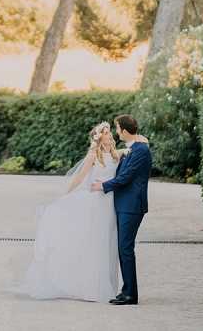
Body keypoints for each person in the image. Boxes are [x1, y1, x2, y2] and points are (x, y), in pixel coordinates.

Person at [18, 120, 147, 303]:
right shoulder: (93, 155)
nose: (110, 137)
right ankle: (92, 287)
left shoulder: (116, 154)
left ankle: (111, 287)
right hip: (97, 204)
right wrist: (64, 194)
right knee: (96, 244)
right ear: (99, 138)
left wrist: (142, 141)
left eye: (111, 133)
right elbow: (79, 177)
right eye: (106, 134)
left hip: (111, 205)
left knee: (109, 245)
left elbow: (131, 149)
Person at [91, 113, 152, 306]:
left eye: (117, 129)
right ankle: (126, 291)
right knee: (123, 248)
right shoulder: (135, 148)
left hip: (132, 206)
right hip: (125, 204)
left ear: (124, 131)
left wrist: (103, 186)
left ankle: (130, 295)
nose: (116, 132)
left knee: (125, 248)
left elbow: (125, 177)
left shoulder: (140, 150)